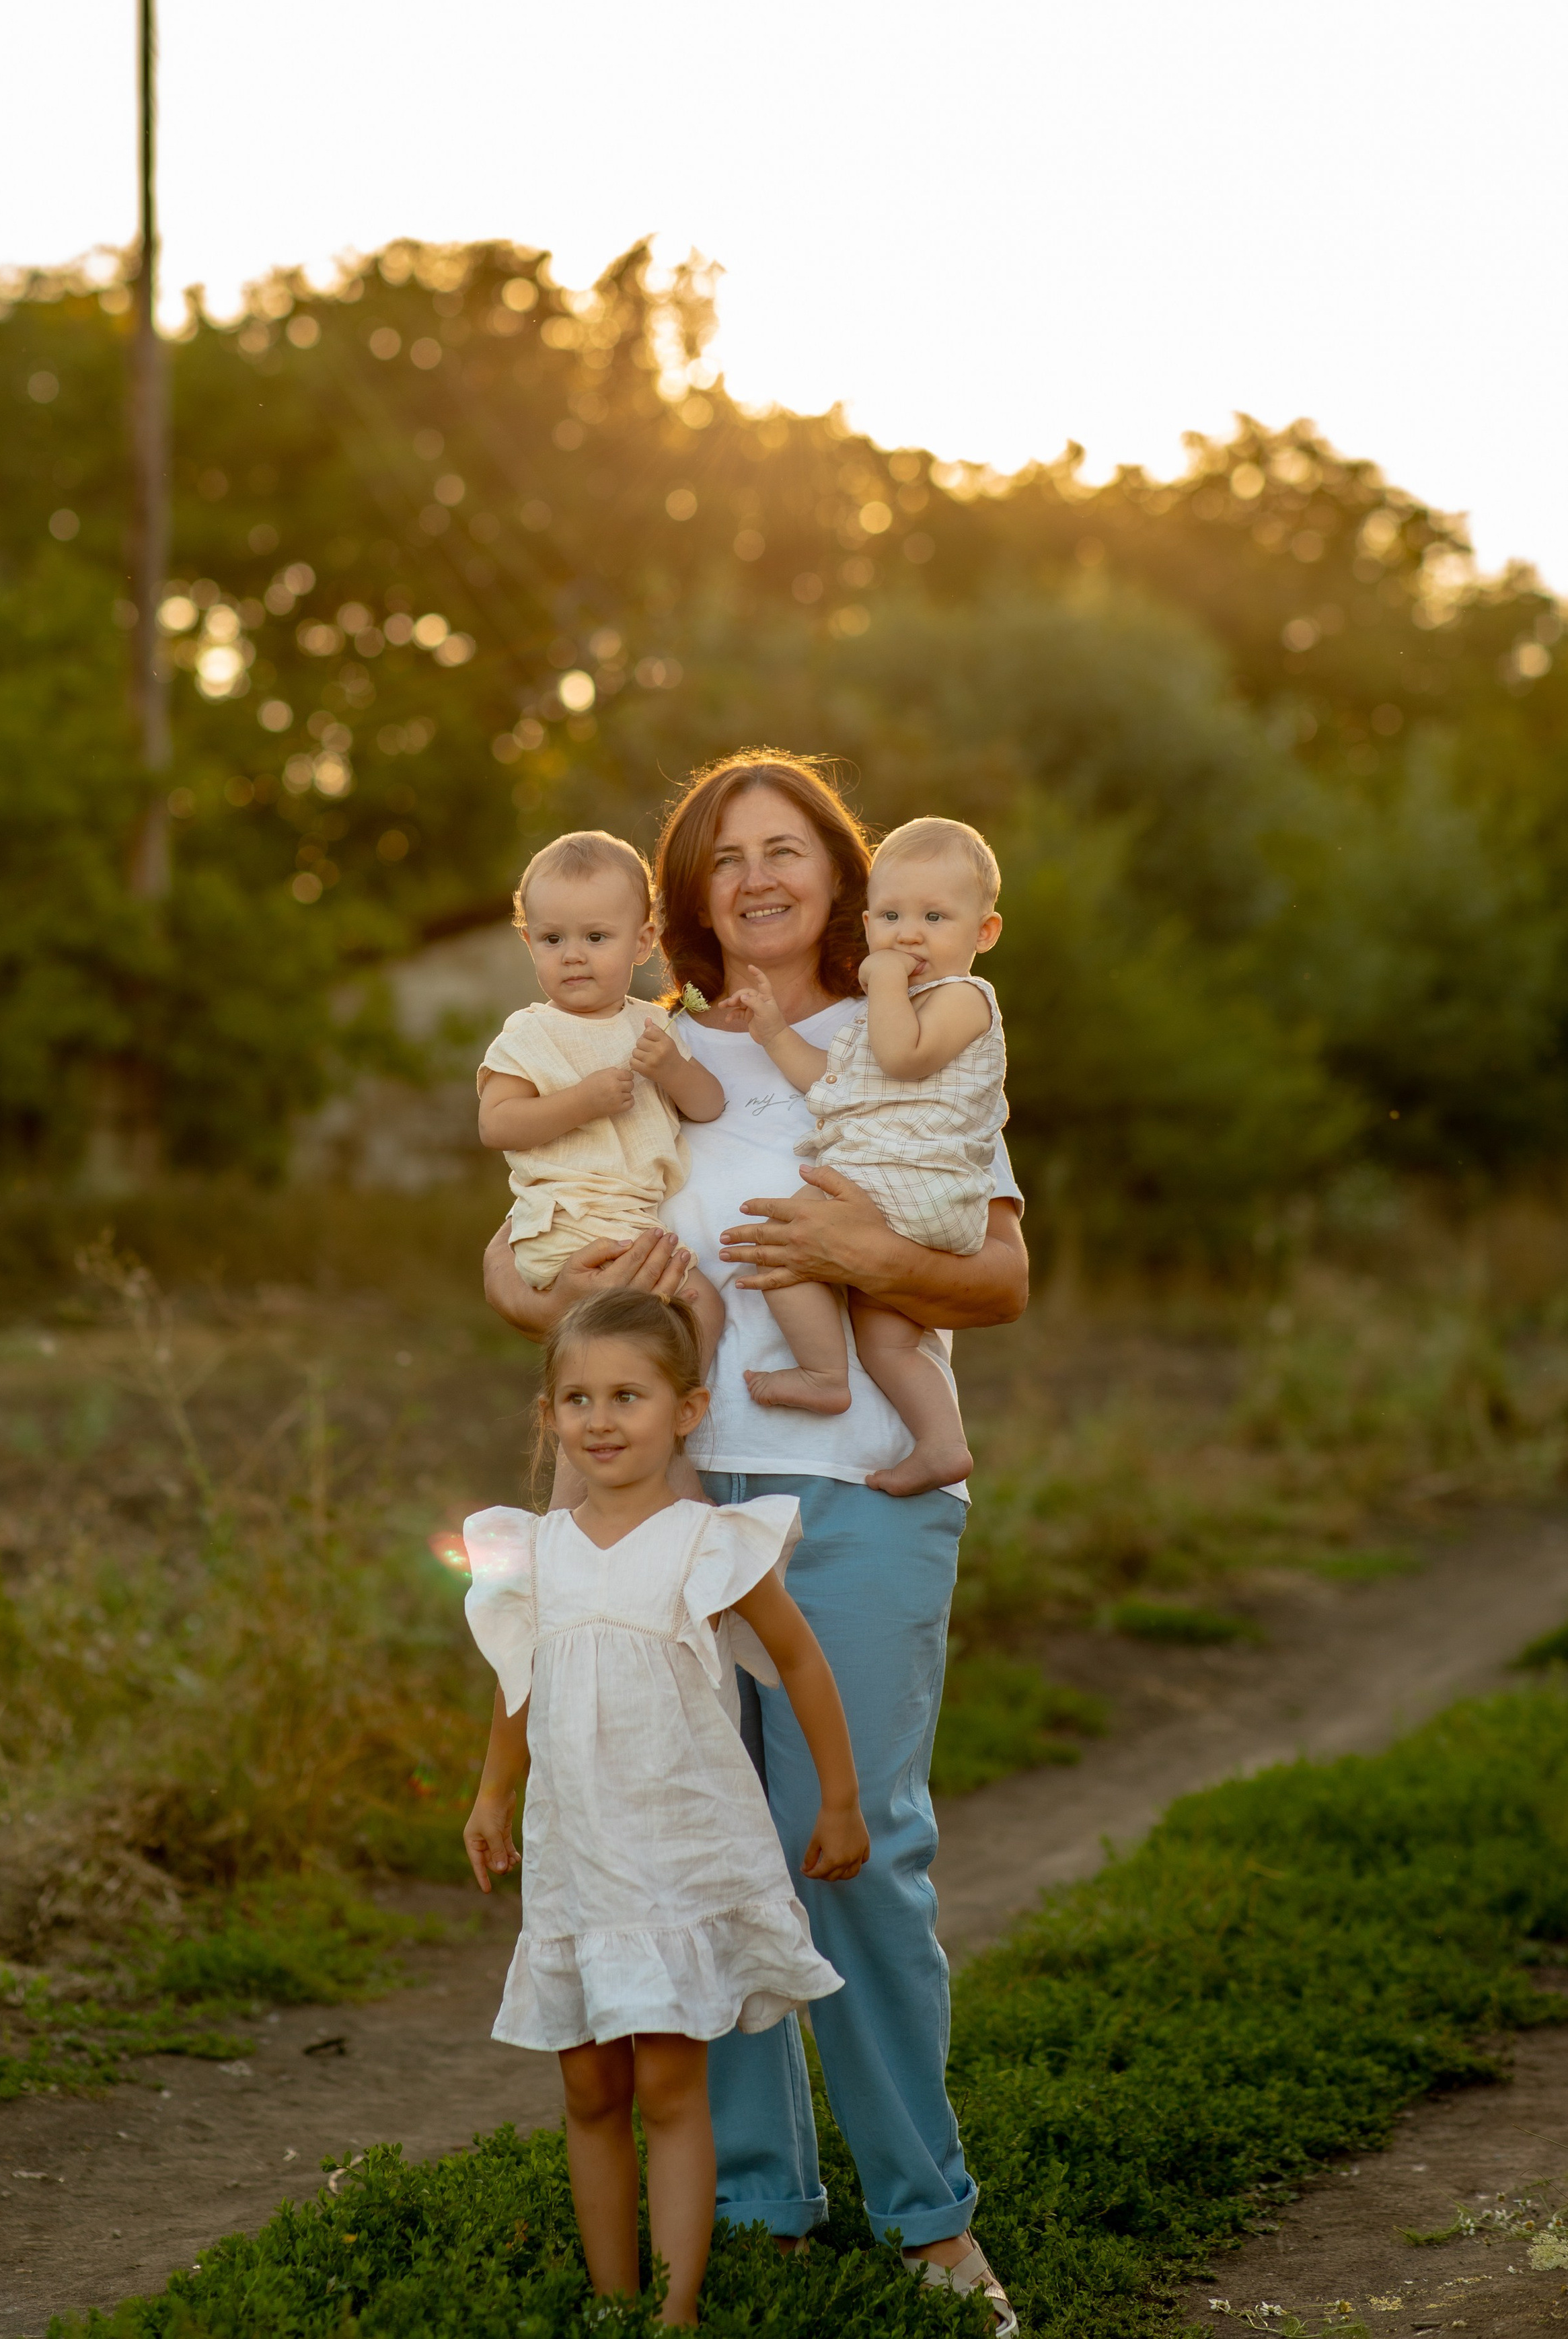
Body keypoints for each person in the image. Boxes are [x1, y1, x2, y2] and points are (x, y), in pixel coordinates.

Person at [483, 751, 1026, 2335]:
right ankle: (754, 2203)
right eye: (727, 857)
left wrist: (852, 1245)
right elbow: (519, 1267)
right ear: (685, 895)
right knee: (683, 1854)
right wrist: (588, 1280)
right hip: (665, 1502)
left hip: (853, 1491)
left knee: (849, 1855)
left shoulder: (910, 1018)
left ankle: (928, 2217)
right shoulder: (640, 1043)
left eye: (787, 848)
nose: (759, 876)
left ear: (842, 874)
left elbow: (993, 1274)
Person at [461, 1288, 869, 2329]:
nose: (601, 1420)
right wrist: (493, 1791)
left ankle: (677, 2310)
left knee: (668, 2090)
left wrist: (840, 1799)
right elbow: (521, 1680)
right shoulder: (532, 1551)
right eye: (578, 1398)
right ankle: (613, 2302)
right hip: (579, 1858)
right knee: (590, 2093)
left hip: (677, 1859)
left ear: (686, 1411)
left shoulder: (708, 1544)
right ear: (549, 1416)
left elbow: (801, 1661)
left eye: (628, 1396)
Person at [724, 814, 1007, 1495]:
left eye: (935, 916)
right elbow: (831, 1082)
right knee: (888, 1337)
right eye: (889, 915)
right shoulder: (881, 1016)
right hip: (908, 1200)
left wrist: (881, 982)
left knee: (786, 1238)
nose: (908, 934)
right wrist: (771, 1033)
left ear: (984, 933)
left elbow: (901, 1058)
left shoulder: (965, 999)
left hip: (911, 1184)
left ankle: (823, 1377)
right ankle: (942, 1444)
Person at [478, 829, 726, 1358]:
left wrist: (674, 1071)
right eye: (553, 940)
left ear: (641, 942)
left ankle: (677, 1409)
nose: (572, 956)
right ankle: (665, 1415)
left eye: (595, 938)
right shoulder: (530, 1033)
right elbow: (495, 1124)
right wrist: (581, 1103)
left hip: (636, 1224)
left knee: (698, 1311)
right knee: (656, 1322)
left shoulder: (654, 1024)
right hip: (571, 1224)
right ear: (529, 943)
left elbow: (709, 1106)